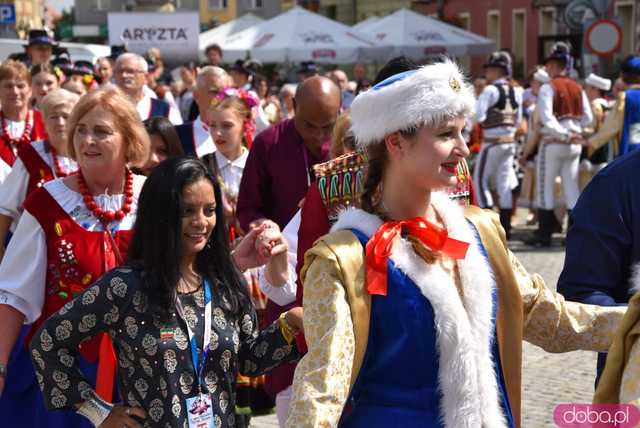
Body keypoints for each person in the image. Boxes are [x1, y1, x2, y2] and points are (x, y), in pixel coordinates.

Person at [285, 58, 626, 428]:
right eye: (447, 135)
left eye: (463, 132)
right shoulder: (342, 260)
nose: (464, 149)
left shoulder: (479, 233)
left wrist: (634, 320)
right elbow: (321, 392)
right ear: (397, 142)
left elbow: (552, 320)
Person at [29, 157, 302, 428]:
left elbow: (249, 360)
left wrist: (289, 325)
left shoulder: (225, 284)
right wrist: (99, 411)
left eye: (209, 210)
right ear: (160, 213)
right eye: (187, 211)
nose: (201, 222)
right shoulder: (125, 286)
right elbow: (48, 342)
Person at [0, 87, 149, 428]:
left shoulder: (154, 200)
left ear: (128, 139)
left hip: (141, 370)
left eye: (101, 131)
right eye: (81, 129)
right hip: (66, 375)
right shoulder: (47, 203)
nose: (87, 140)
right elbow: (11, 296)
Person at [237, 75, 340, 421]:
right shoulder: (269, 142)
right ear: (292, 108)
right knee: (290, 383)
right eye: (311, 126)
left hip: (338, 280)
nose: (321, 137)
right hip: (285, 276)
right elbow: (249, 207)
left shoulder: (349, 146)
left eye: (329, 126)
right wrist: (267, 230)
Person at [525, 42, 593, 247]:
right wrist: (574, 130)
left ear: (555, 65)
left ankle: (544, 234)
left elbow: (546, 117)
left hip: (554, 143)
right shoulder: (577, 87)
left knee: (545, 186)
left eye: (550, 64)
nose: (548, 68)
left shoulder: (549, 86)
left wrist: (563, 133)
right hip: (574, 144)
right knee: (571, 186)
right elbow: (588, 118)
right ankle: (573, 233)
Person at [0, 88, 79, 260]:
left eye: (66, 116)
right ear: (43, 121)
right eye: (53, 116)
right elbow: (5, 207)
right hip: (30, 249)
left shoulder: (87, 156)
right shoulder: (31, 156)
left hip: (76, 251)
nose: (60, 122)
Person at [473, 51, 523, 239]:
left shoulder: (490, 90)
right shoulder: (516, 91)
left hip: (492, 143)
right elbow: (518, 120)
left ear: (498, 71)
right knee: (504, 184)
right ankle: (506, 226)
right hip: (509, 142)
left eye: (490, 69)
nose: (487, 73)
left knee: (480, 180)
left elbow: (479, 116)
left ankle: (489, 225)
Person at [0, 60, 47, 184]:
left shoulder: (45, 122)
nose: (15, 92)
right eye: (8, 86)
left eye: (20, 86)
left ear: (30, 90)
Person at [586, 56, 640, 159]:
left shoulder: (626, 97)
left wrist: (590, 142)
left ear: (624, 75)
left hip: (630, 154)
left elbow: (611, 127)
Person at [113, 53, 182, 125]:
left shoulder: (164, 110)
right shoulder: (105, 106)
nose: (124, 75)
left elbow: (176, 133)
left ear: (145, 77)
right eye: (119, 71)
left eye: (130, 71)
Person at [176, 66, 229, 157]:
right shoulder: (178, 135)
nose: (221, 97)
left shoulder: (241, 134)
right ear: (196, 95)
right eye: (214, 92)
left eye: (226, 92)